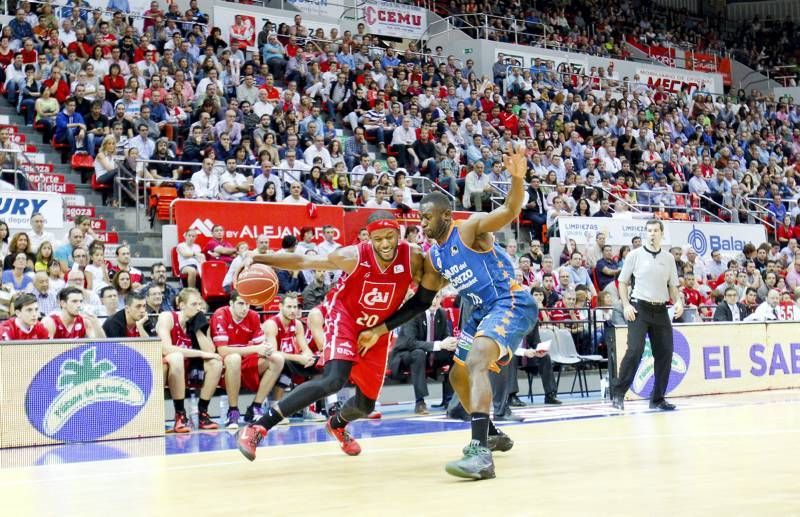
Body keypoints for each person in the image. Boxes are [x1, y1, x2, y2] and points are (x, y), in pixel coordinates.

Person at [359, 144, 535, 480]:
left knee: (478, 361)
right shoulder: (435, 257)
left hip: (509, 301)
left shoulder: (468, 229)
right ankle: (492, 434)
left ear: (444, 215)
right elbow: (422, 301)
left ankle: (480, 454)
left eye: (426, 216)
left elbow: (511, 209)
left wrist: (517, 180)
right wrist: (382, 325)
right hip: (481, 311)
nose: (421, 222)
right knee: (457, 376)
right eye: (419, 217)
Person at [236, 211, 420, 461]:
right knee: (333, 380)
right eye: (378, 239)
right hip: (345, 320)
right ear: (368, 239)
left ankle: (337, 424)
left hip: (378, 330)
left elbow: (426, 294)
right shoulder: (353, 255)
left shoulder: (414, 257)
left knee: (366, 406)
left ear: (399, 235)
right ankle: (258, 426)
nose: (385, 244)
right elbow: (302, 261)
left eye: (390, 237)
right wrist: (258, 257)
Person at [611, 219, 683, 412]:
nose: (652, 234)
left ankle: (658, 399)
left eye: (655, 230)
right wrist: (626, 305)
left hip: (661, 310)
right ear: (646, 233)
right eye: (649, 230)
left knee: (666, 353)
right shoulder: (634, 255)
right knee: (635, 350)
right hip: (639, 308)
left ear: (661, 233)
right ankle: (618, 393)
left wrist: (678, 302)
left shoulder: (668, 258)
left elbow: (673, 286)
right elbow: (623, 282)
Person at [211, 290, 285, 429]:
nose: (245, 308)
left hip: (247, 361)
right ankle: (233, 411)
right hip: (224, 366)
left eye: (247, 304)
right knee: (234, 358)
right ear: (231, 303)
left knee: (278, 359)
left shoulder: (253, 316)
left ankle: (255, 407)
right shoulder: (220, 314)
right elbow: (222, 351)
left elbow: (261, 345)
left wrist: (267, 349)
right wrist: (255, 349)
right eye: (240, 303)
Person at [155, 288, 223, 433]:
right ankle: (180, 414)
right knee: (177, 357)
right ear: (181, 305)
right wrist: (199, 353)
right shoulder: (167, 317)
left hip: (189, 368)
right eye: (194, 304)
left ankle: (203, 413)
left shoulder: (199, 320)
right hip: (166, 370)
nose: (198, 308)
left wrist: (198, 329)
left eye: (199, 304)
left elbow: (210, 352)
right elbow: (166, 349)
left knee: (216, 363)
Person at [392, 292, 458, 414]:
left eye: (437, 297)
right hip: (405, 355)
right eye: (431, 297)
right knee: (418, 353)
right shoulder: (413, 313)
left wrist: (451, 342)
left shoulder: (441, 313)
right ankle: (420, 402)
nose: (434, 301)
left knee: (454, 354)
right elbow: (410, 343)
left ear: (441, 299)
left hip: (430, 355)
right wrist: (439, 345)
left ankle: (449, 400)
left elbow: (445, 337)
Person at [262, 292, 323, 421]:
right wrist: (299, 358)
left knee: (318, 364)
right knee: (284, 366)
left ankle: (307, 408)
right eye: (289, 307)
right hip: (270, 363)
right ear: (280, 307)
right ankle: (275, 409)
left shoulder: (298, 324)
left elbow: (305, 348)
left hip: (291, 359)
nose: (293, 310)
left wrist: (310, 358)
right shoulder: (271, 324)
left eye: (295, 307)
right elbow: (273, 354)